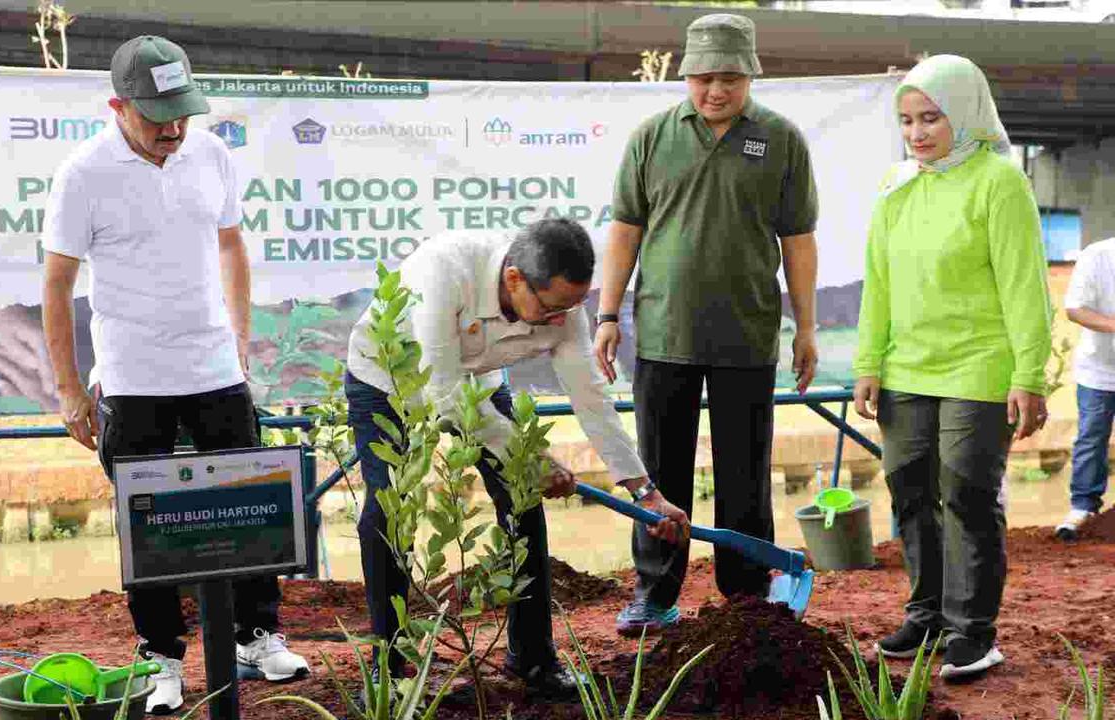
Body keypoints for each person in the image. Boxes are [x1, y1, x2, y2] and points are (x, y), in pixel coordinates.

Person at [41, 35, 308, 715]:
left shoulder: (210, 153)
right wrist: (71, 389)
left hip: (215, 366)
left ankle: (257, 634)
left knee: (249, 505)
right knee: (147, 520)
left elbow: (231, 245)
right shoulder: (83, 173)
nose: (174, 126)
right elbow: (57, 281)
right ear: (118, 106)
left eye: (182, 109)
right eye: (158, 113)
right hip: (133, 375)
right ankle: (161, 656)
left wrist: (240, 341)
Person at [344, 218, 688, 697]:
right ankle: (389, 669)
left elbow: (590, 397)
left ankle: (532, 657)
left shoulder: (563, 308)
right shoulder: (443, 270)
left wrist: (645, 492)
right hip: (389, 380)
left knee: (522, 500)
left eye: (571, 308)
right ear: (513, 280)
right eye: (551, 309)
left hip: (477, 383)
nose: (559, 320)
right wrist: (531, 456)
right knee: (386, 513)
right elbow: (441, 392)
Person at [592, 13, 820, 635]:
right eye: (703, 78)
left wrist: (806, 326)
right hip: (664, 333)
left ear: (749, 75)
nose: (715, 91)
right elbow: (625, 231)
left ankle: (745, 597)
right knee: (660, 474)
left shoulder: (780, 139)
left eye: (729, 78)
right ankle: (655, 592)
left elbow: (798, 240)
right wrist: (608, 314)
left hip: (747, 336)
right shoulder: (651, 137)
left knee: (745, 474)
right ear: (686, 75)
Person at [852, 55, 1051, 680]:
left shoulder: (998, 181)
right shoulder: (895, 185)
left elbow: (1025, 285)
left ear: (963, 113)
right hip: (906, 369)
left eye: (931, 118)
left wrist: (1028, 374)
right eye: (907, 120)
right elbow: (878, 284)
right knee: (910, 490)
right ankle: (928, 615)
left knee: (965, 491)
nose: (917, 133)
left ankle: (973, 631)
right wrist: (868, 362)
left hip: (978, 365)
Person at [1056, 237, 1115, 539]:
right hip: (1100, 371)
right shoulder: (1098, 256)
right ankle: (1083, 506)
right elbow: (1075, 309)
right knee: (1092, 437)